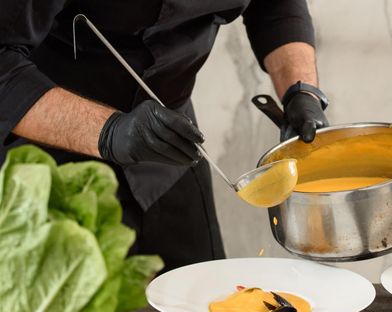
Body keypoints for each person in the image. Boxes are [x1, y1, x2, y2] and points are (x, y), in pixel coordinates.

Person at [0, 0, 329, 271]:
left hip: (172, 152)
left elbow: (273, 5)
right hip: (48, 158)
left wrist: (301, 91)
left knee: (207, 309)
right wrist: (109, 130)